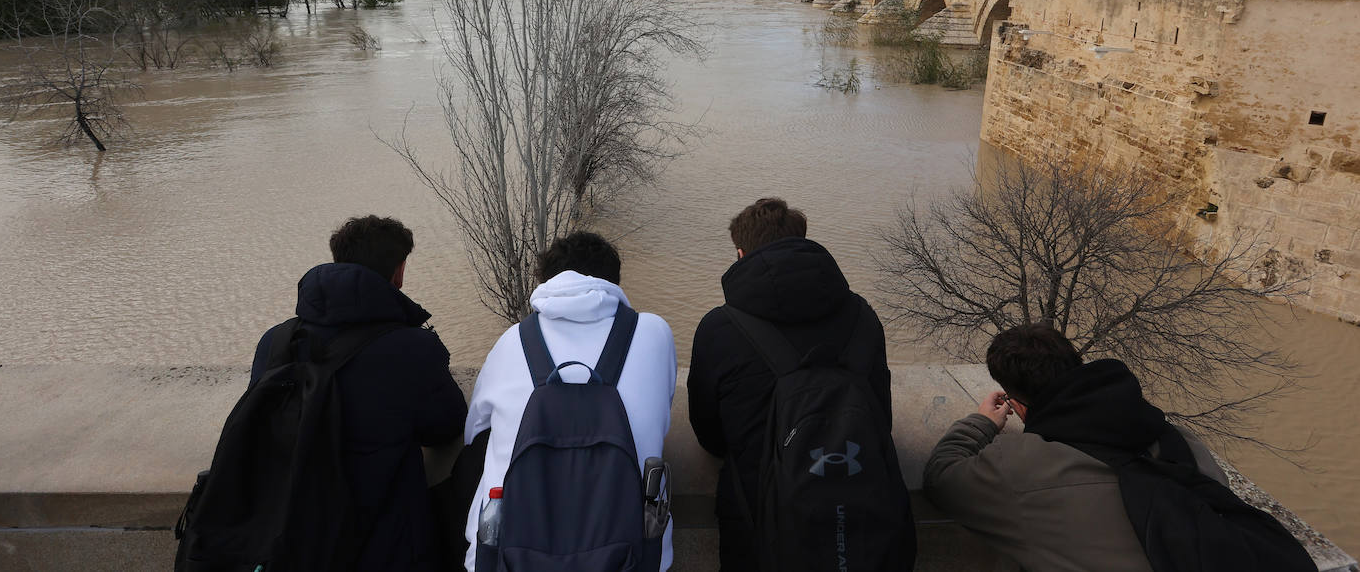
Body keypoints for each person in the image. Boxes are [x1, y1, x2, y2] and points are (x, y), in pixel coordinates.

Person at [688, 197, 914, 572]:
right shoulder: (863, 317)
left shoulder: (718, 328)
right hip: (862, 528)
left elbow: (710, 435)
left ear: (741, 254)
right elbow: (880, 416)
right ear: (804, 243)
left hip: (758, 531)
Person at [248, 215, 468, 572]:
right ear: (398, 272)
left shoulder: (276, 342)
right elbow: (445, 425)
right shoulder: (410, 348)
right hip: (386, 544)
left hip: (289, 538)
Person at [924, 324, 1230, 572]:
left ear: (1017, 404)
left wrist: (982, 422)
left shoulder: (1020, 468)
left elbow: (941, 478)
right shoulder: (1182, 440)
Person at [461, 231, 677, 572]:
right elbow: (662, 413)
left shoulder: (512, 341)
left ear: (547, 282)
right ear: (613, 282)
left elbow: (472, 430)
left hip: (509, 555)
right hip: (631, 555)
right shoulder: (654, 333)